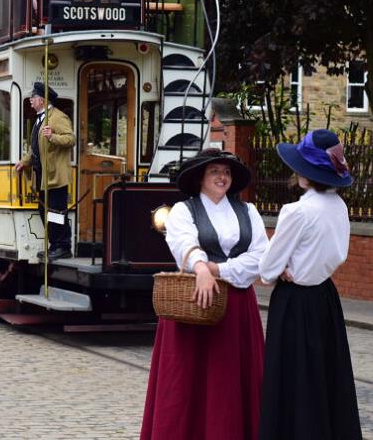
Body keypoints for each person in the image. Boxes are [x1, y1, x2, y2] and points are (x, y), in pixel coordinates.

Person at [140, 148, 268, 440]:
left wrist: (217, 270)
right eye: (215, 172)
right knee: (187, 381)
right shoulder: (185, 210)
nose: (222, 177)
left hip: (236, 305)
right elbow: (182, 242)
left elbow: (261, 255)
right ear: (201, 178)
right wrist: (200, 269)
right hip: (194, 302)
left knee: (231, 380)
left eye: (226, 172)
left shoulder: (248, 211)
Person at [258, 130, 361, 440]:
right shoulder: (339, 207)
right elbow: (337, 255)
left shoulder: (297, 212)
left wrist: (286, 269)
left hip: (294, 302)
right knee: (325, 379)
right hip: (325, 298)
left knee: (294, 381)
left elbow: (267, 269)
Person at [15, 82, 74, 259]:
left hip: (55, 175)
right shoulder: (41, 118)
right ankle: (55, 244)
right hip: (43, 176)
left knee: (56, 211)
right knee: (45, 211)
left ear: (42, 99)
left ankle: (63, 247)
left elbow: (71, 139)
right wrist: (24, 161)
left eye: (33, 98)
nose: (31, 101)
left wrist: (53, 137)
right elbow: (36, 147)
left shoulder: (57, 117)